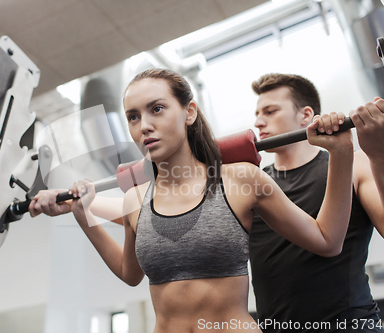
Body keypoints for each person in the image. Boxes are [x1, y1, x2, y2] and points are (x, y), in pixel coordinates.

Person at [30, 69, 354, 332]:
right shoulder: (136, 197)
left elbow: (327, 240)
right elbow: (131, 274)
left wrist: (341, 153)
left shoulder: (240, 179)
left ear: (189, 112)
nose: (144, 126)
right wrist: (82, 213)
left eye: (157, 109)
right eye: (132, 116)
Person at [249, 73, 384, 333]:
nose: (258, 121)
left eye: (270, 111)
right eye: (257, 113)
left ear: (305, 114)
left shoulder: (354, 165)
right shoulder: (253, 186)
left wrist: (382, 152)